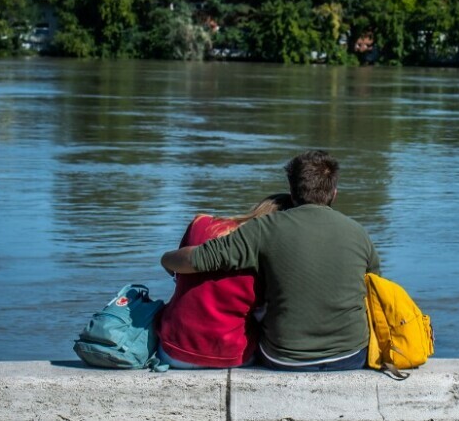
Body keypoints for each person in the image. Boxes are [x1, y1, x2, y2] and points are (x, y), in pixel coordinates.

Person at [161, 150, 380, 371]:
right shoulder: (358, 232)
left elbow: (199, 259)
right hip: (352, 355)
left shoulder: (266, 228)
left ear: (292, 192)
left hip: (285, 357)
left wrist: (166, 259)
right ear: (334, 193)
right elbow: (373, 289)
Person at [156, 193, 293, 369]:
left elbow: (178, 276)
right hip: (232, 356)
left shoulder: (201, 224)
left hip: (174, 352)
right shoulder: (268, 253)